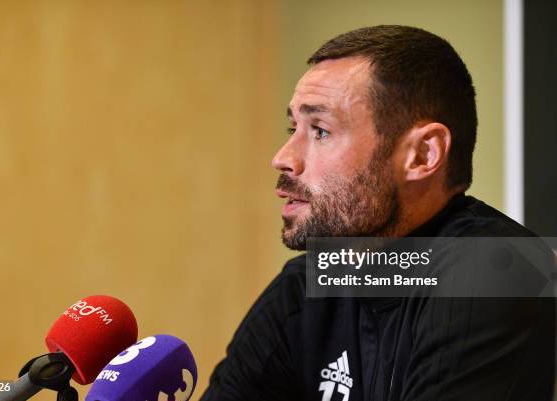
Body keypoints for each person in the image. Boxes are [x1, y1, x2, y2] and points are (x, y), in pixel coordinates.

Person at [200, 25, 555, 401]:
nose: (283, 158)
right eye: (293, 127)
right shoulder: (304, 288)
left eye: (320, 130)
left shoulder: (498, 270)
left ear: (422, 155)